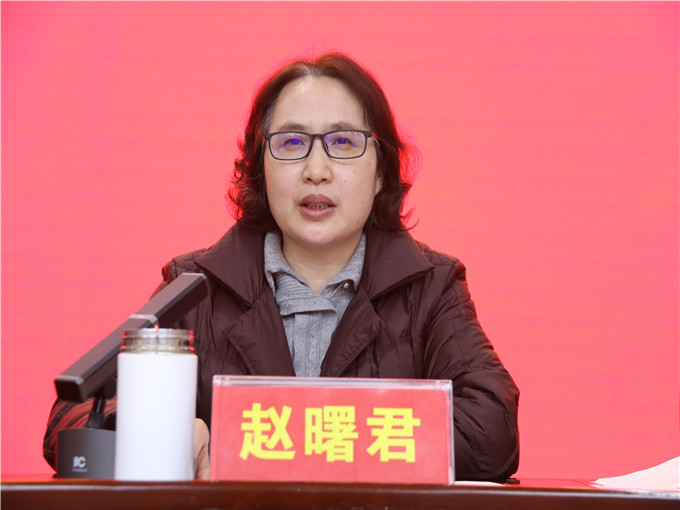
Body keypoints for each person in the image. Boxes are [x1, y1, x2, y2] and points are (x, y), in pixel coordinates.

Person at [44, 52, 519, 482]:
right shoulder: (194, 290)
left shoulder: (430, 288)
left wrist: (274, 443)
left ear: (380, 172)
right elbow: (73, 417)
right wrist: (164, 431)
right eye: (291, 143)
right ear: (261, 168)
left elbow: (492, 431)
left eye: (343, 141)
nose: (316, 170)